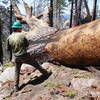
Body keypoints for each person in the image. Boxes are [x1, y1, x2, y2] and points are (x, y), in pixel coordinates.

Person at [7, 21, 50, 92]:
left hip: (16, 57)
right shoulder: (22, 35)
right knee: (36, 64)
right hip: (24, 56)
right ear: (18, 29)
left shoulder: (9, 37)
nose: (21, 29)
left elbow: (8, 49)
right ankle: (45, 73)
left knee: (16, 71)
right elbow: (27, 45)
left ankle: (16, 87)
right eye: (20, 28)